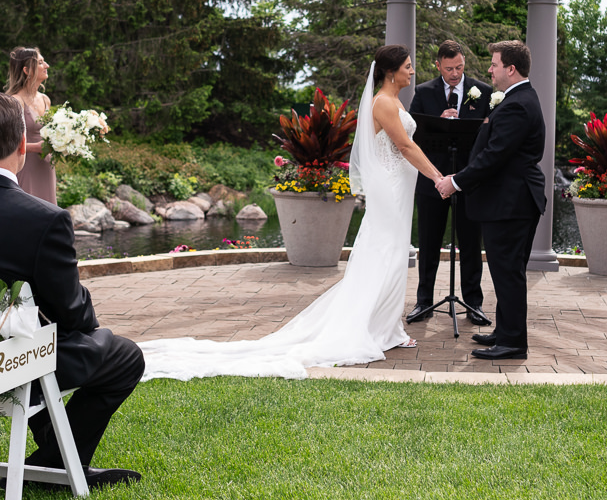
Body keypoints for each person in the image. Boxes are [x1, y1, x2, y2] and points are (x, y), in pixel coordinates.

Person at [138, 45, 445, 379]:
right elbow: (405, 146)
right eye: (408, 66)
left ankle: (387, 327)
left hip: (398, 188)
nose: (412, 71)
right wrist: (438, 177)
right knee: (384, 253)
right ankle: (372, 328)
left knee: (395, 254)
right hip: (389, 189)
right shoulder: (384, 103)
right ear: (390, 72)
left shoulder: (395, 100)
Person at [0, 92, 142, 487]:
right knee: (123, 355)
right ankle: (53, 465)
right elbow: (71, 313)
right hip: (8, 367)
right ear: (21, 144)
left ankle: (53, 458)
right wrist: (91, 328)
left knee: (73, 343)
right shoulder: (43, 218)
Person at [435, 39, 547, 362]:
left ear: (511, 69)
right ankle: (506, 330)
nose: (489, 69)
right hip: (508, 201)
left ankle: (513, 342)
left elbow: (494, 156)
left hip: (511, 202)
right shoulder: (519, 98)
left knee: (508, 272)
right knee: (504, 271)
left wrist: (455, 182)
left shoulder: (516, 104)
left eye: (494, 64)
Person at [406, 39, 491, 325]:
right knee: (428, 244)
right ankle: (424, 302)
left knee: (471, 244)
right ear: (438, 65)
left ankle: (473, 304)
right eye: (449, 68)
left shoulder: (484, 93)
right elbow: (412, 136)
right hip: (433, 179)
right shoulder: (423, 92)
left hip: (469, 181)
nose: (455, 73)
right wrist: (437, 121)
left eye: (460, 67)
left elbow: (489, 137)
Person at [6, 46, 56, 204]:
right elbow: (7, 142)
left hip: (46, 167)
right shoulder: (15, 101)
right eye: (41, 62)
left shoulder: (45, 99)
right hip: (25, 167)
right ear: (27, 70)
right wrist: (36, 147)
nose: (46, 65)